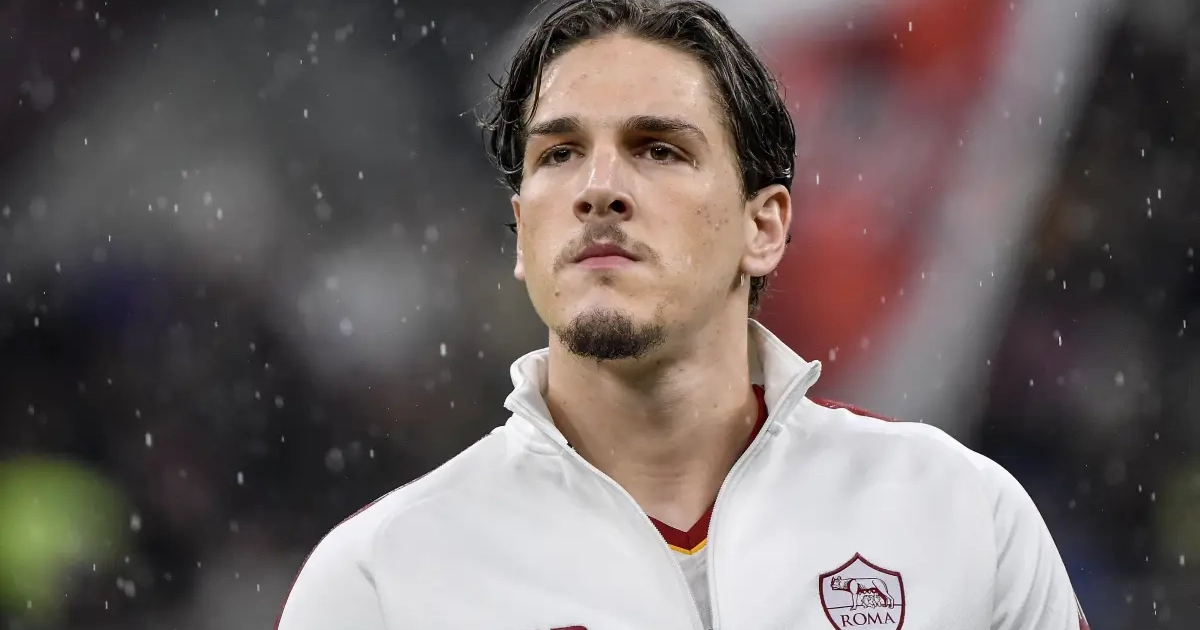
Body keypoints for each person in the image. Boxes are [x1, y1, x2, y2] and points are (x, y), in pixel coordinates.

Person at [276, 1, 1090, 628]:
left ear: (763, 227)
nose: (599, 188)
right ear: (522, 231)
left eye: (659, 149)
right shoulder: (382, 580)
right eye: (559, 153)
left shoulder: (960, 514)